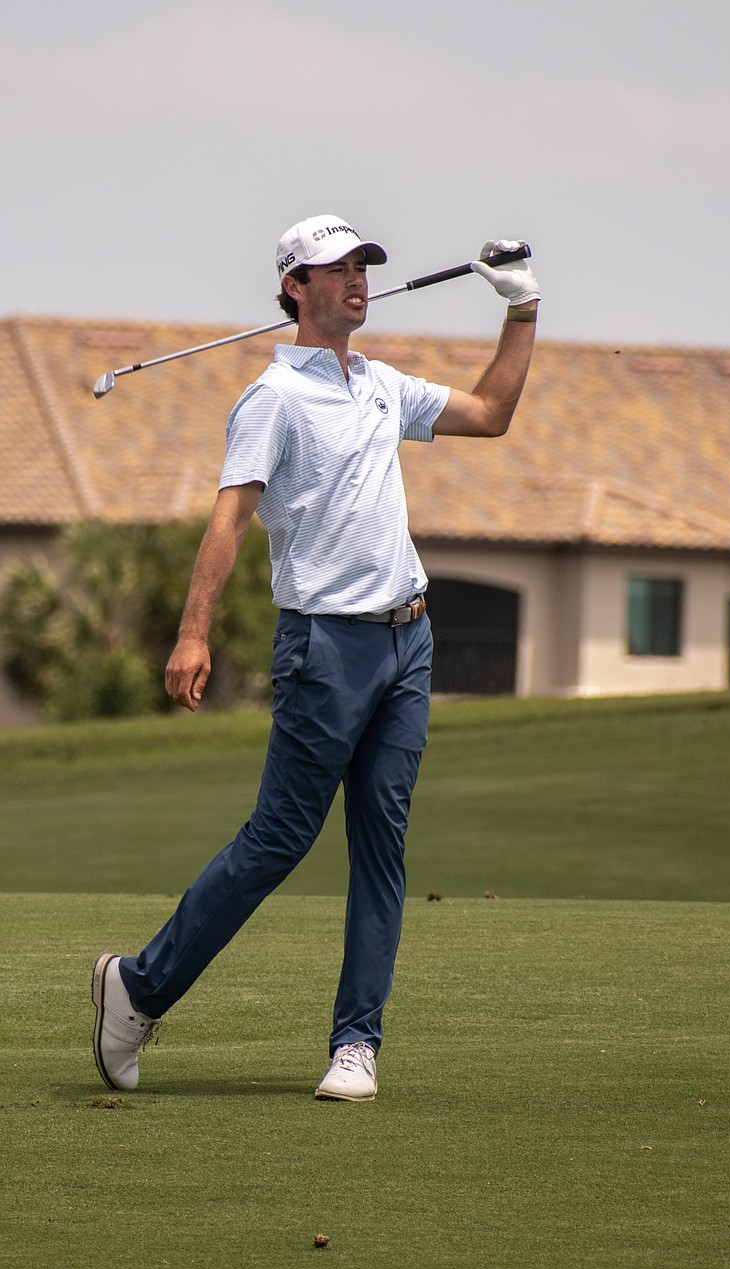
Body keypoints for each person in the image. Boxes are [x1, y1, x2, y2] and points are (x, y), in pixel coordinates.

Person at [91, 214, 540, 1101]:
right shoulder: (272, 399)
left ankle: (355, 1044)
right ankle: (136, 989)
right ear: (295, 288)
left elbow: (490, 414)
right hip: (325, 646)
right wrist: (193, 629)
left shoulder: (381, 385)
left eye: (364, 267)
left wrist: (521, 310)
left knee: (383, 844)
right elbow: (228, 518)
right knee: (279, 840)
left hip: (408, 637)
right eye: (336, 271)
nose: (358, 281)